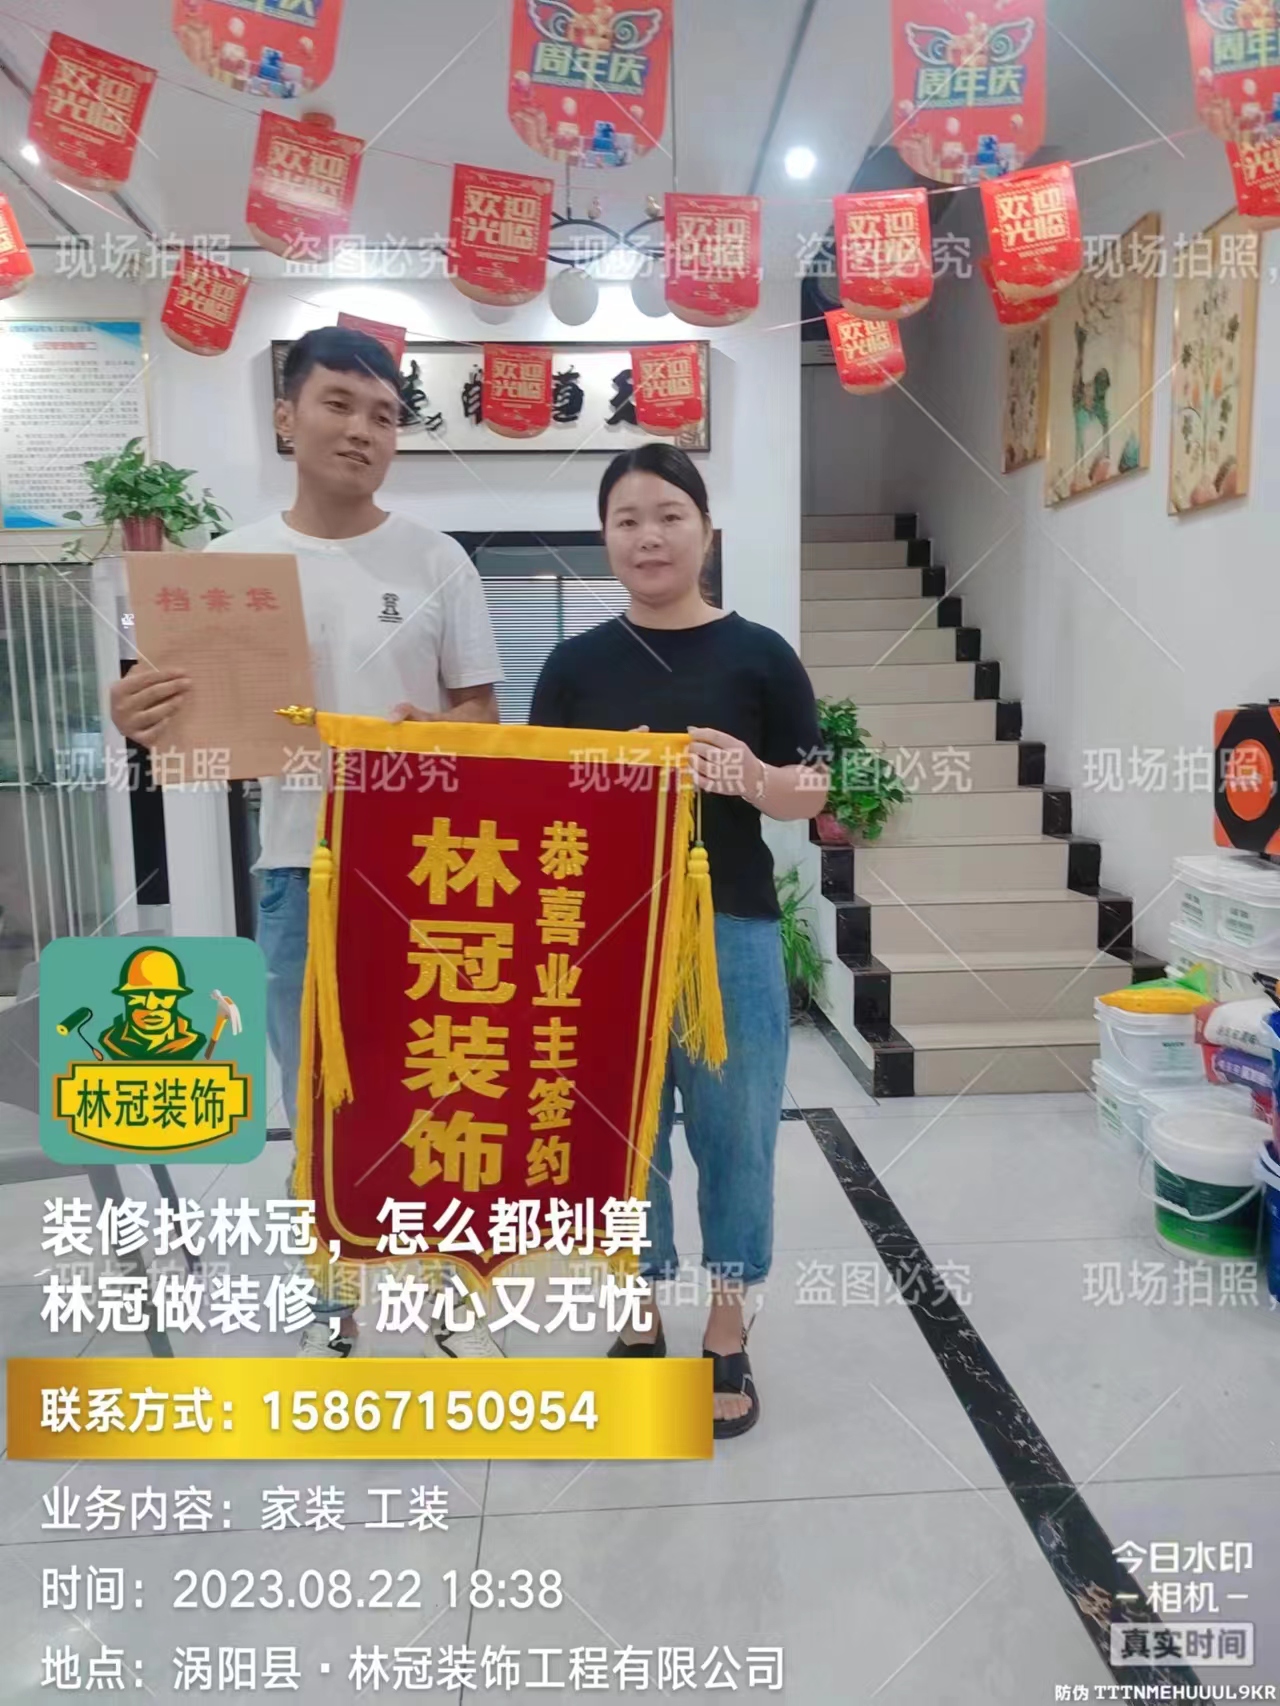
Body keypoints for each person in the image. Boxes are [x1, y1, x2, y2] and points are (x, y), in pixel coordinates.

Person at [108, 325, 505, 1360]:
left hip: (430, 875)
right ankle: (333, 1302)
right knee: (317, 1102)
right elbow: (174, 718)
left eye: (384, 414)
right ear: (286, 417)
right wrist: (135, 712)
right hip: (298, 869)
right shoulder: (230, 567)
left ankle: (445, 1285)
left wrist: (445, 732)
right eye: (338, 403)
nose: (362, 429)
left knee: (439, 1088)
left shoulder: (437, 561)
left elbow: (484, 715)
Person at [529, 443, 828, 1438]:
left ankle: (727, 1326)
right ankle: (635, 1313)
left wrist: (752, 776)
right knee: (619, 1136)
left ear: (705, 530)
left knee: (736, 1132)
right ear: (604, 538)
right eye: (626, 519)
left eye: (668, 515)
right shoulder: (572, 667)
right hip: (603, 938)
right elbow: (533, 810)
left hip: (731, 928)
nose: (648, 536)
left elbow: (813, 790)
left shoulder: (760, 655)